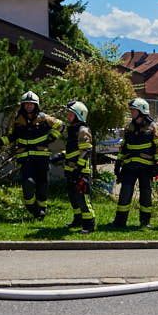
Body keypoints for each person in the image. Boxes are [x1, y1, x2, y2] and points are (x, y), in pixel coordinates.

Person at [0, 91, 64, 220]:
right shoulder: (18, 120)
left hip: (42, 158)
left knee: (42, 186)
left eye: (31, 104)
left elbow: (61, 125)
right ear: (23, 105)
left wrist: (51, 138)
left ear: (36, 105)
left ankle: (41, 212)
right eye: (26, 104)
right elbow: (11, 137)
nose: (29, 106)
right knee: (28, 184)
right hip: (26, 159)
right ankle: (33, 209)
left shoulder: (44, 118)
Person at [113, 98, 158, 229]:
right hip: (129, 166)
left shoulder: (152, 127)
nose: (131, 113)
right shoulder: (129, 127)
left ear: (141, 112)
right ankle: (120, 222)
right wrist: (118, 163)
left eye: (133, 110)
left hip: (146, 168)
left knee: (146, 195)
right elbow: (123, 147)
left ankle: (145, 222)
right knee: (125, 193)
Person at [50, 100, 96, 233]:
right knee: (73, 197)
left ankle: (89, 225)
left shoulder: (83, 131)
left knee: (83, 198)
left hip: (80, 172)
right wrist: (59, 156)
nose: (68, 116)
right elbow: (73, 151)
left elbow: (85, 151)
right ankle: (78, 220)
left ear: (79, 115)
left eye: (71, 114)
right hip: (71, 170)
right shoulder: (73, 130)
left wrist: (78, 169)